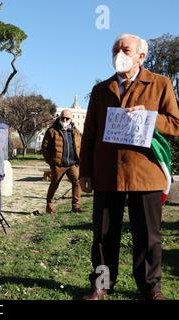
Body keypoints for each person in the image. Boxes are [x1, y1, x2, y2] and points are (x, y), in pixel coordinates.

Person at [80, 34, 179, 300]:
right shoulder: (101, 90)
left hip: (145, 173)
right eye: (115, 49)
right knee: (103, 234)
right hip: (107, 172)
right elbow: (89, 133)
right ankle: (101, 284)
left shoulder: (160, 84)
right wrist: (85, 171)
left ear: (141, 56)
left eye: (125, 49)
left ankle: (150, 288)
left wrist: (149, 118)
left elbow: (175, 124)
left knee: (148, 235)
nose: (118, 53)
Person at [42, 109, 82, 214]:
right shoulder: (52, 130)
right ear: (59, 117)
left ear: (71, 119)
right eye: (63, 117)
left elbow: (80, 146)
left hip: (73, 163)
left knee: (77, 182)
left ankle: (76, 206)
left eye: (67, 118)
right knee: (54, 184)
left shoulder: (75, 131)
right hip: (58, 164)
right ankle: (49, 206)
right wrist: (51, 162)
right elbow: (45, 148)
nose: (64, 119)